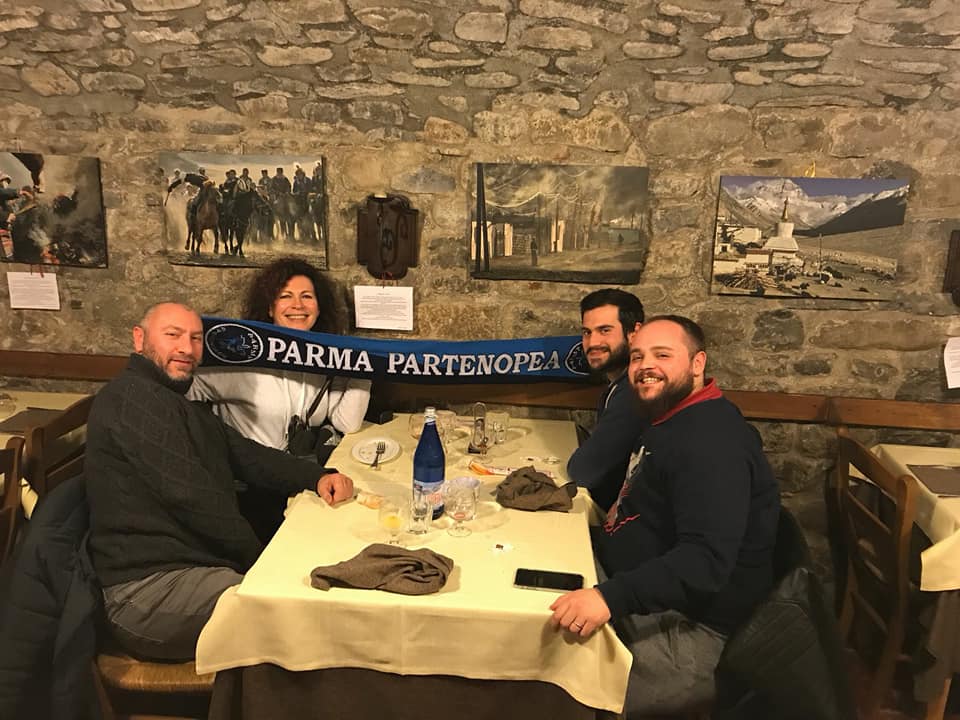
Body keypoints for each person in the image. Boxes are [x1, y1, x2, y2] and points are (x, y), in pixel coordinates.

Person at [85, 302, 354, 662]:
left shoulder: (171, 400)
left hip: (192, 568)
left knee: (314, 582)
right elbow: (195, 499)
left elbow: (245, 454)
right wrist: (261, 561)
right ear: (139, 339)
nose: (186, 348)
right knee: (302, 611)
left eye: (196, 338)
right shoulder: (135, 398)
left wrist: (317, 476)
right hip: (146, 592)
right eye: (173, 335)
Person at [550, 315, 779, 717]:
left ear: (697, 363)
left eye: (662, 355)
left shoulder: (711, 443)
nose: (645, 366)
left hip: (693, 633)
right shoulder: (671, 416)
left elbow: (705, 562)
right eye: (637, 356)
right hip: (641, 593)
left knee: (552, 690)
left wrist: (607, 597)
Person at [188, 259, 372, 538]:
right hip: (250, 492)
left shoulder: (323, 359)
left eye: (306, 296)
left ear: (318, 307)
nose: (297, 305)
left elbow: (348, 423)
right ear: (270, 308)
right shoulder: (240, 364)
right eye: (285, 296)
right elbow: (182, 391)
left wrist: (368, 364)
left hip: (301, 481)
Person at [566, 288, 647, 511]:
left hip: (626, 518)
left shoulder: (635, 389)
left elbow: (583, 471)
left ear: (635, 332)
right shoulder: (620, 383)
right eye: (587, 332)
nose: (593, 342)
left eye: (605, 330)